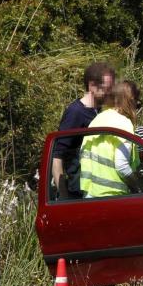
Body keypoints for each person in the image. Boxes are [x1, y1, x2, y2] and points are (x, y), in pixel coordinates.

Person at [52, 62, 115, 199]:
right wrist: (64, 196)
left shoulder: (98, 112)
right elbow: (57, 156)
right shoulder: (75, 112)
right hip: (77, 192)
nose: (110, 93)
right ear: (92, 86)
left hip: (95, 190)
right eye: (106, 88)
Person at [80, 81, 142, 198]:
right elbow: (122, 166)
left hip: (89, 195)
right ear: (131, 100)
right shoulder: (123, 123)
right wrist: (138, 186)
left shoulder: (97, 120)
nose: (137, 109)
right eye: (137, 104)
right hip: (113, 197)